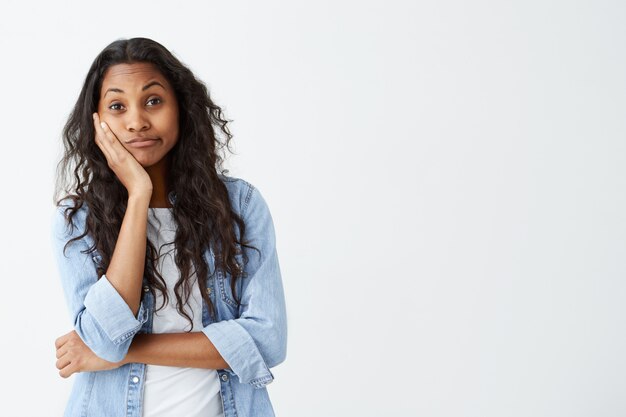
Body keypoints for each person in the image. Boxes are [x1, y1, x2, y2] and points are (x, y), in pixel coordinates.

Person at [51, 37, 287, 417]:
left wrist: (123, 351)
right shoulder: (77, 219)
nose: (136, 121)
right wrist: (139, 195)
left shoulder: (239, 206)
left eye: (153, 100)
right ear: (97, 122)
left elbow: (267, 341)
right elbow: (105, 339)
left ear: (181, 107)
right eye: (116, 106)